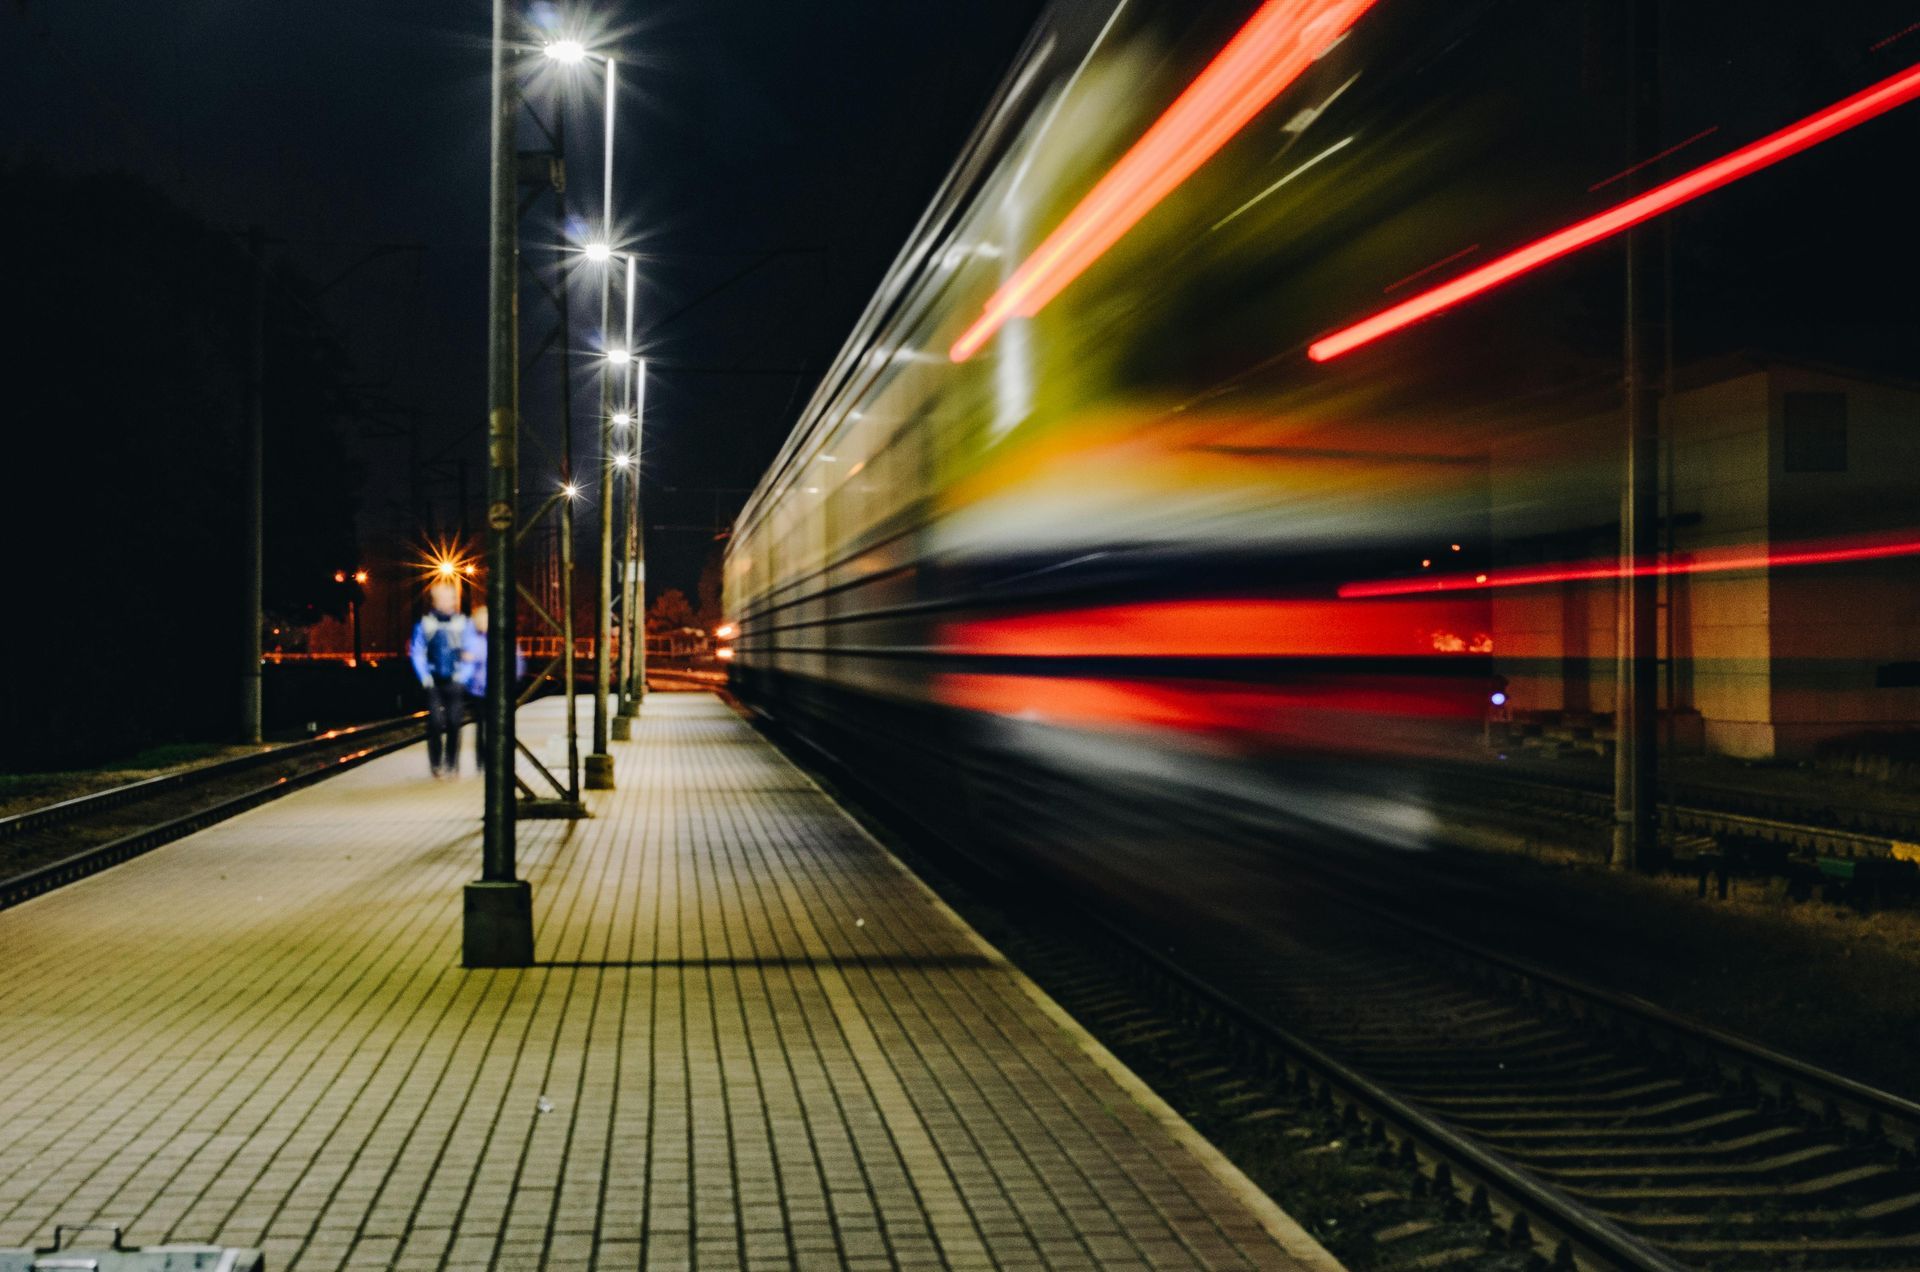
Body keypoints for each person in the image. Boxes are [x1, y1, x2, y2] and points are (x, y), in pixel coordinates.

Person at [409, 582, 470, 779]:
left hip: (455, 679)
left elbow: (470, 650)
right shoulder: (426, 624)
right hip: (434, 681)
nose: (445, 602)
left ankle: (451, 764)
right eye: (441, 598)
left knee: (454, 722)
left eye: (448, 598)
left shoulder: (462, 624)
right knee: (434, 723)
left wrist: (464, 674)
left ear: (454, 600)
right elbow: (417, 651)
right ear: (435, 601)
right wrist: (424, 675)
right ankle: (436, 765)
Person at [463, 604, 490, 766]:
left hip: (495, 689)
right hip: (479, 690)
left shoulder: (501, 639)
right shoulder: (472, 641)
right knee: (482, 725)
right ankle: (482, 760)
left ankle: (489, 757)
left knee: (492, 725)